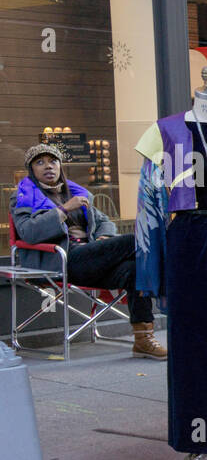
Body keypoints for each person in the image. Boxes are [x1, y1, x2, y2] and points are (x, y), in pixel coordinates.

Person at [12, 143, 166, 359]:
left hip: (91, 258)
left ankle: (143, 339)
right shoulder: (23, 197)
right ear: (32, 170)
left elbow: (105, 221)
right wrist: (64, 210)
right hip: (62, 261)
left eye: (53, 161)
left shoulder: (76, 193)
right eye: (40, 162)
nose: (48, 166)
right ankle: (173, 291)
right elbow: (28, 232)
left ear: (61, 167)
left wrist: (105, 237)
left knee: (134, 269)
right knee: (134, 241)